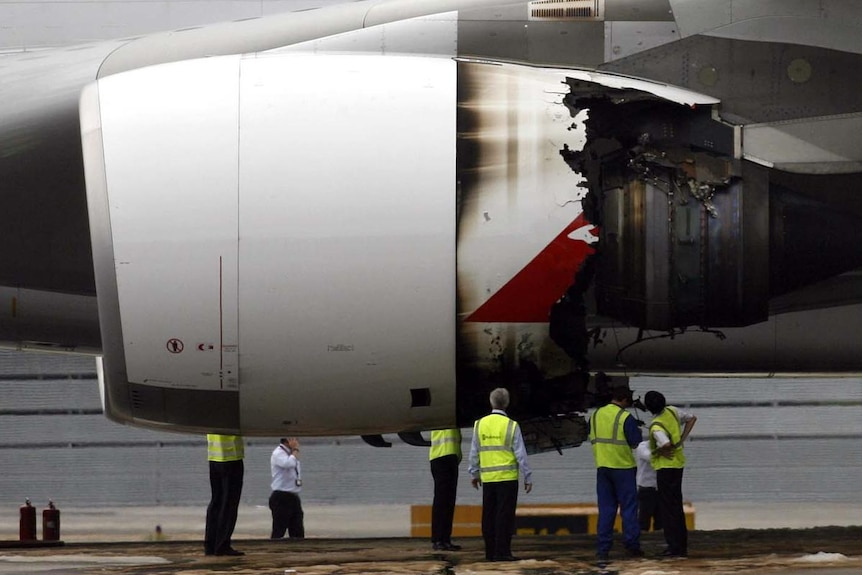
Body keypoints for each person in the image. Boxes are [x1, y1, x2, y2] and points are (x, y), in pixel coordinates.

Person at [468, 388, 533, 562]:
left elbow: (474, 452)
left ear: (491, 402)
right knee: (505, 516)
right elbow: (521, 454)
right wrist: (527, 476)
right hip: (508, 478)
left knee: (488, 515)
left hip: (488, 479)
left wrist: (474, 473)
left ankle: (490, 552)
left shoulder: (479, 424)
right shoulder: (511, 425)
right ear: (507, 403)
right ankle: (503, 552)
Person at [588, 383, 643, 561]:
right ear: (624, 399)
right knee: (628, 509)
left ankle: (603, 549)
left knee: (606, 510)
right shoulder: (625, 417)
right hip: (623, 469)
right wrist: (638, 429)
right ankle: (632, 546)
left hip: (602, 468)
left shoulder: (595, 415)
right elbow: (635, 443)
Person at [644, 390, 697, 558]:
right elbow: (692, 418)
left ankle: (674, 548)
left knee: (667, 509)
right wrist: (681, 439)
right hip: (678, 464)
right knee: (676, 507)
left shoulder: (656, 426)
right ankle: (681, 546)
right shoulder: (673, 411)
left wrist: (658, 451)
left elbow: (665, 443)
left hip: (665, 468)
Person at [204, 434, 245, 556]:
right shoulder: (228, 415)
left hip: (214, 458)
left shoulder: (210, 414)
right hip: (231, 457)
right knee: (229, 504)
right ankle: (222, 545)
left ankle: (210, 545)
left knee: (216, 502)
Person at [429, 428, 462, 551]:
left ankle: (445, 539)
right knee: (442, 501)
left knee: (448, 501)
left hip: (448, 458)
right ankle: (438, 539)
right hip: (442, 457)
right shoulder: (444, 419)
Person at [269, 437, 305, 539]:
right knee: (279, 529)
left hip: (293, 495)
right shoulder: (278, 453)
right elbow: (288, 464)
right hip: (281, 496)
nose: (297, 442)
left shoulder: (290, 454)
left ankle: (297, 551)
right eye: (295, 440)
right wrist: (295, 450)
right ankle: (274, 551)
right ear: (288, 441)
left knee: (297, 528)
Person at [635, 433, 661, 532]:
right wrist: (663, 449)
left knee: (661, 520)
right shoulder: (643, 447)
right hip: (646, 488)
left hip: (660, 488)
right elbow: (650, 456)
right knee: (643, 520)